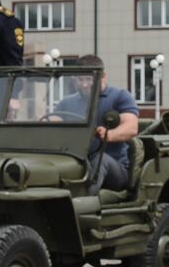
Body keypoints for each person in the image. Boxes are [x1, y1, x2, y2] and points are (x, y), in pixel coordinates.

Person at [53, 55, 138, 193]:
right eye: (80, 79)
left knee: (100, 160)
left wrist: (108, 134)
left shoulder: (120, 96)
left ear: (103, 76)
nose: (84, 84)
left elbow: (131, 127)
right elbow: (55, 119)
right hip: (77, 163)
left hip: (115, 169)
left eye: (89, 79)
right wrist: (46, 122)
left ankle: (82, 201)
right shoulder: (67, 102)